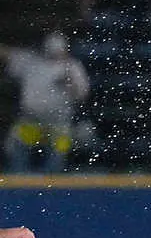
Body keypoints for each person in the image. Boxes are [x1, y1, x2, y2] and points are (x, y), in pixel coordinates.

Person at [1, 33, 90, 173]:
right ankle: (18, 187)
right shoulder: (31, 62)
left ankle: (52, 189)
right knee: (19, 154)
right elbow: (7, 54)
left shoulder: (73, 66)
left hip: (58, 122)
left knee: (56, 159)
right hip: (31, 120)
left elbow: (82, 95)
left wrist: (70, 83)